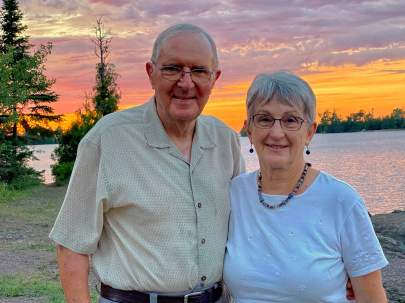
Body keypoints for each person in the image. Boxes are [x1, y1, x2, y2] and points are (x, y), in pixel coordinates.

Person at [50, 24, 244, 303]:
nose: (186, 83)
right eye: (172, 68)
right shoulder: (108, 139)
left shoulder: (226, 140)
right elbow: (71, 245)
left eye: (199, 71)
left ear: (215, 78)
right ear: (151, 73)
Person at [223, 71, 388, 302]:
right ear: (249, 130)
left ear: (310, 131)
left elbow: (372, 298)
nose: (276, 132)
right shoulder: (234, 195)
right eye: (264, 119)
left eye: (291, 120)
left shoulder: (341, 200)